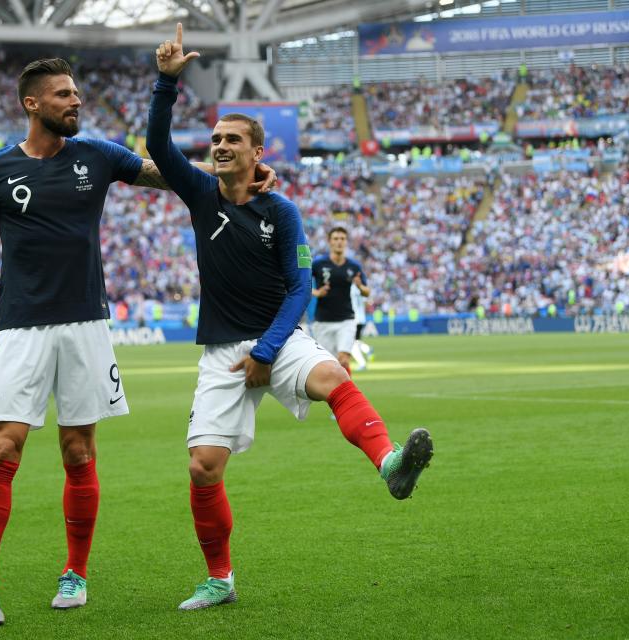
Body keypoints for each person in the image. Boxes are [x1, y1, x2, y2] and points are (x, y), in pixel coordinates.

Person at [0, 57, 275, 627]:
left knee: (79, 451)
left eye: (76, 93)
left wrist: (235, 175)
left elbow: (167, 171)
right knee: (4, 448)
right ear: (33, 104)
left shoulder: (98, 155)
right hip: (18, 327)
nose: (75, 101)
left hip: (86, 325)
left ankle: (75, 573)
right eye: (62, 95)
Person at [146, 24, 433, 612]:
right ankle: (220, 578)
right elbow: (158, 142)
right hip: (223, 351)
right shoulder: (200, 194)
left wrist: (269, 351)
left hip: (279, 337)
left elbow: (300, 287)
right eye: (216, 137)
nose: (220, 145)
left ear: (258, 154)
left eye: (233, 140)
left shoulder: (284, 212)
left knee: (335, 379)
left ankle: (390, 464)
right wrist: (165, 83)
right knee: (203, 469)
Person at [311, 227, 368, 376]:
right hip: (323, 321)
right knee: (328, 366)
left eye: (342, 239)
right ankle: (334, 395)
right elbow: (301, 284)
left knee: (343, 360)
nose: (339, 242)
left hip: (346, 320)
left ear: (346, 242)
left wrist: (360, 286)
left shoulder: (353, 266)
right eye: (336, 239)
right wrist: (317, 292)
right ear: (330, 241)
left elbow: (367, 291)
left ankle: (347, 396)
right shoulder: (318, 264)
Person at [349, 283, 373, 371]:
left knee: (351, 343)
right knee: (355, 341)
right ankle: (367, 349)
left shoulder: (349, 287)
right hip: (361, 318)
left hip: (352, 318)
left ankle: (362, 363)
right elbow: (366, 302)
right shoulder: (360, 287)